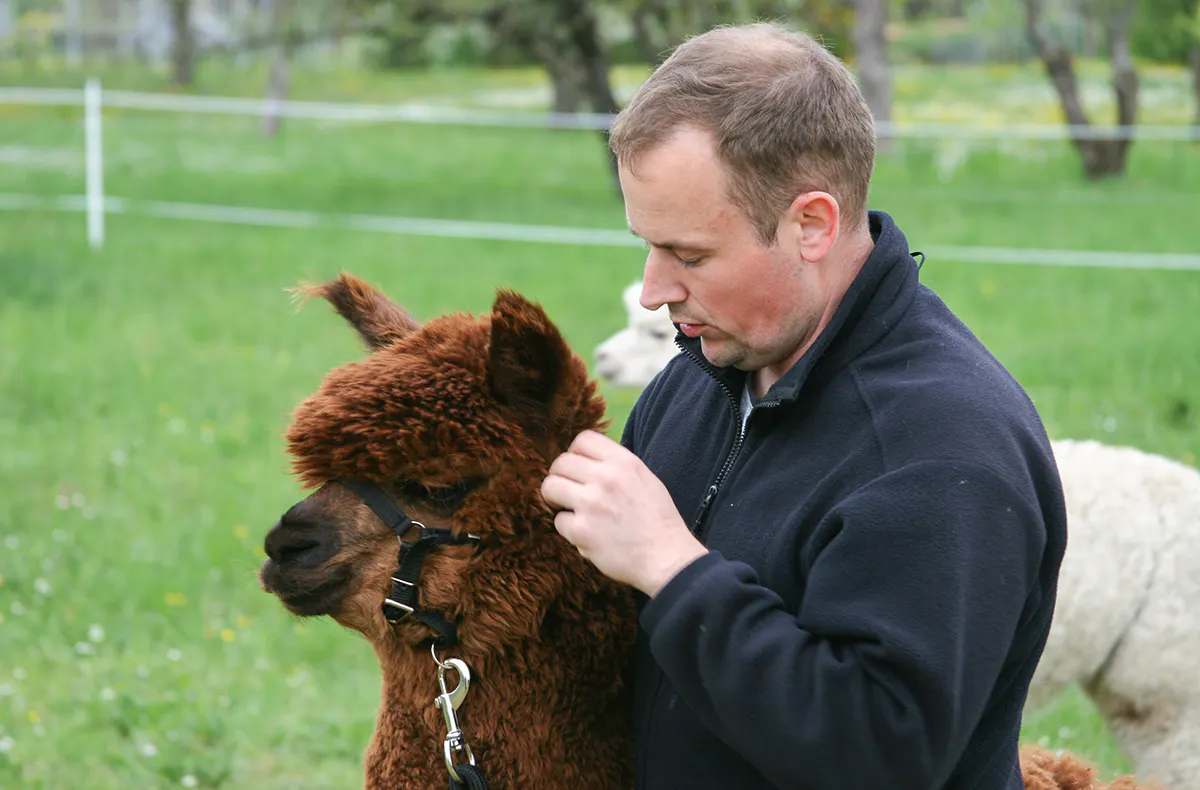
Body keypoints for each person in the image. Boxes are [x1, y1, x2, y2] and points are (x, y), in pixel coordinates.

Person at [539, 21, 1066, 790]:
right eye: (647, 245)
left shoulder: (941, 450)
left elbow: (880, 753)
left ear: (811, 224)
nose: (654, 290)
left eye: (689, 254)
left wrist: (673, 567)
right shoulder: (699, 376)